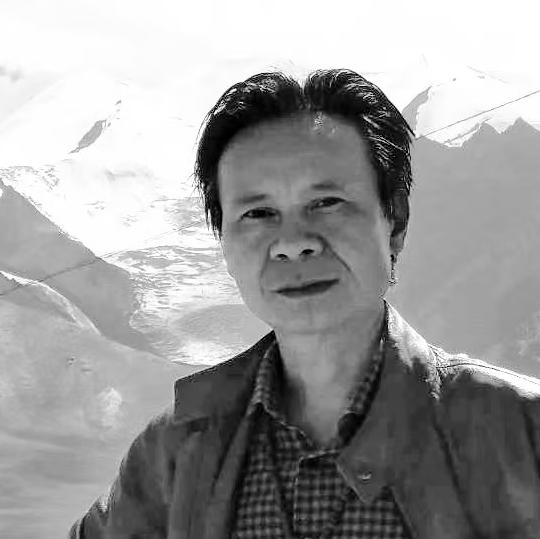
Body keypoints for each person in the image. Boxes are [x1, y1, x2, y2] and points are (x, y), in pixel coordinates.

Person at [69, 69, 540, 539]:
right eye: (258, 213)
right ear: (224, 244)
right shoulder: (173, 453)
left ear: (394, 221)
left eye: (327, 203)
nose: (294, 243)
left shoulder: (521, 434)